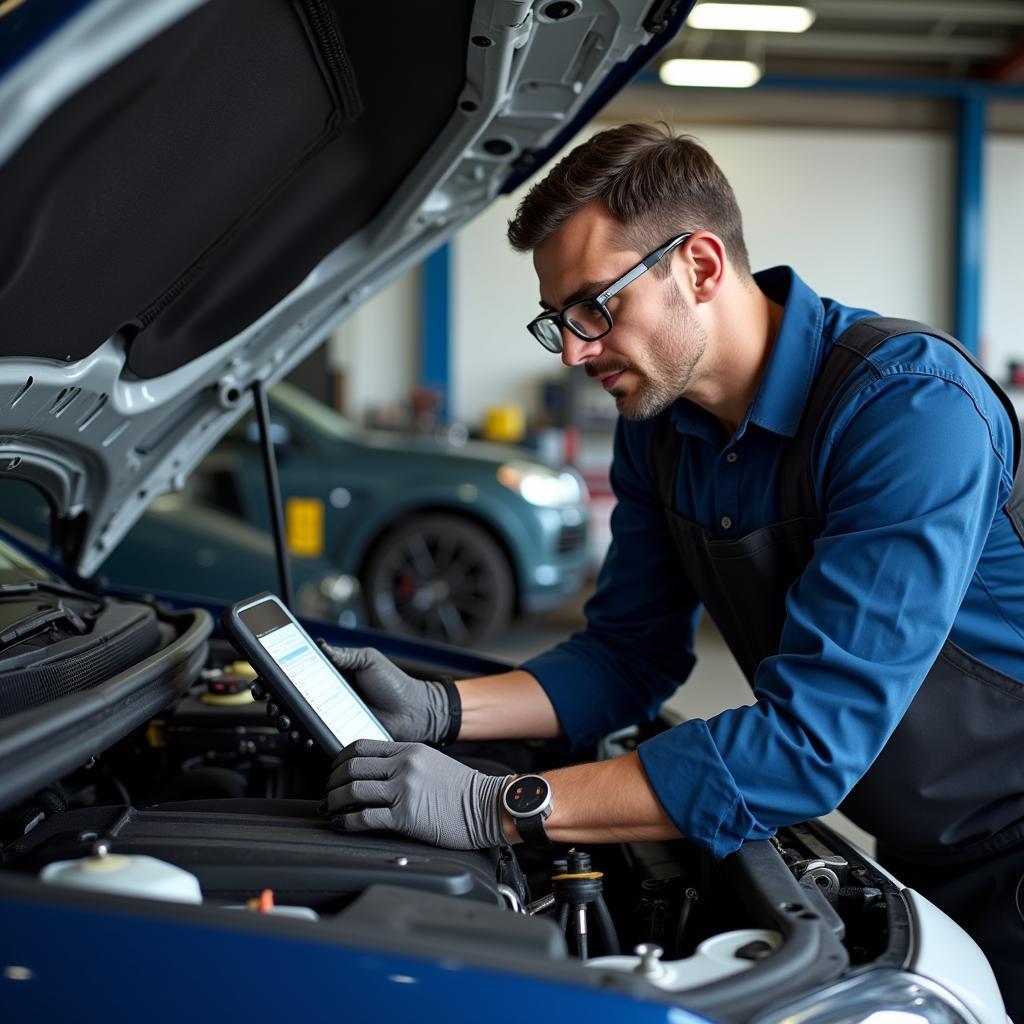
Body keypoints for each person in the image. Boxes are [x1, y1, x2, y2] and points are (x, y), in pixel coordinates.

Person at [318, 123, 1024, 1012]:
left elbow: (809, 744)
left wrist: (494, 805)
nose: (574, 350)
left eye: (594, 306)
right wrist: (440, 707)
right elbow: (625, 658)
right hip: (922, 847)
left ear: (698, 266)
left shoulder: (911, 409)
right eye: (559, 322)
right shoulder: (659, 431)